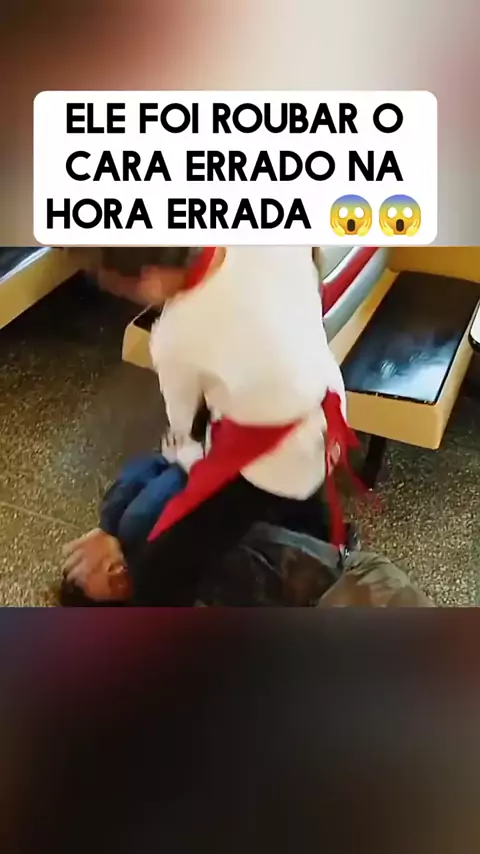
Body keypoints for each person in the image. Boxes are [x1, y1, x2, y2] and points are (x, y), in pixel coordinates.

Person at [72, 246, 358, 605]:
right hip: (322, 402)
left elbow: (186, 430)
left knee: (158, 565)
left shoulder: (176, 336)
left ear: (151, 278)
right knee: (150, 491)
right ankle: (324, 551)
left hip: (269, 459)